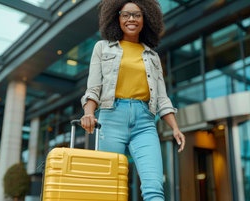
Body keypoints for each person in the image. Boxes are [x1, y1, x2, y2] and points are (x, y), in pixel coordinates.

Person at [79, 0, 185, 200]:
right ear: (116, 18)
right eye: (125, 14)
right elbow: (94, 88)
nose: (131, 19)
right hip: (111, 119)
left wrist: (175, 128)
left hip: (145, 122)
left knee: (154, 187)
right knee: (109, 187)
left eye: (137, 14)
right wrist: (88, 113)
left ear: (145, 19)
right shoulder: (102, 48)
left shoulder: (152, 56)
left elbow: (162, 97)